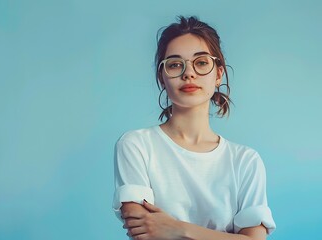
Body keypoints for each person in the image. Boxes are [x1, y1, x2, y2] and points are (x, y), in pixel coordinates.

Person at [112, 16, 276, 240]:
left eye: (201, 62)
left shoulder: (246, 161)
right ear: (162, 77)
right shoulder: (136, 145)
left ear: (218, 74)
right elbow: (144, 232)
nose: (188, 73)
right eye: (175, 64)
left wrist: (177, 229)